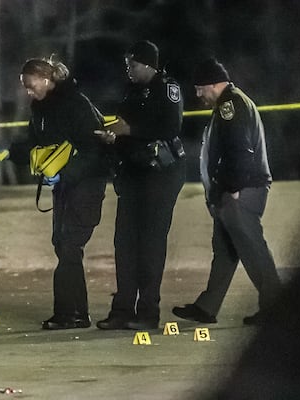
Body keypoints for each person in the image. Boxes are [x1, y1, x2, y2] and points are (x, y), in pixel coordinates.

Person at [172, 58, 281, 326]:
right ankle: (207, 307)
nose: (198, 95)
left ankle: (278, 308)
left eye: (200, 89)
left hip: (241, 192)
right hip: (232, 192)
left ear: (213, 84)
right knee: (224, 252)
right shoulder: (229, 103)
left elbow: (239, 150)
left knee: (253, 250)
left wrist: (232, 188)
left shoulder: (231, 105)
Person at [95, 40, 186, 330]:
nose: (128, 70)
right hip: (134, 172)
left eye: (133, 65)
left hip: (160, 173)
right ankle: (122, 310)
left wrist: (130, 130)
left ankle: (148, 312)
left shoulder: (167, 88)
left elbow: (171, 127)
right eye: (127, 65)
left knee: (150, 243)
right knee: (124, 243)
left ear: (148, 64)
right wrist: (114, 138)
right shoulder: (131, 91)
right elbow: (124, 126)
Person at [19, 57, 108, 330]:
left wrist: (64, 173)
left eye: (31, 85)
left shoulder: (76, 105)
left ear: (46, 80)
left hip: (86, 185)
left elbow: (95, 150)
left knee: (69, 245)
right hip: (65, 187)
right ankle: (75, 313)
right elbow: (35, 142)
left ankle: (70, 314)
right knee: (62, 244)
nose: (28, 91)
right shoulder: (41, 110)